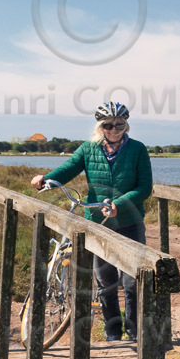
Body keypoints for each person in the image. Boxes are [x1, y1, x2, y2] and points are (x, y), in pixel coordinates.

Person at [30, 102, 154, 342]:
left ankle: (135, 332)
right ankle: (112, 333)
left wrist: (121, 203)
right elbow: (68, 169)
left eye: (119, 124)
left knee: (132, 281)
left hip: (130, 222)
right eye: (108, 125)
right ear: (101, 126)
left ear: (125, 124)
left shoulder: (138, 149)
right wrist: (46, 179)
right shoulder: (88, 149)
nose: (114, 129)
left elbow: (144, 187)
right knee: (105, 281)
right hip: (98, 223)